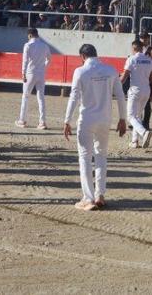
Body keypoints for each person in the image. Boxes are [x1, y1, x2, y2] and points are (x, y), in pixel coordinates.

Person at [63, 44, 127, 211]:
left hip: (87, 119)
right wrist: (122, 118)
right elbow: (120, 95)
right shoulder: (110, 70)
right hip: (105, 120)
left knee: (84, 157)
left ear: (82, 57)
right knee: (101, 156)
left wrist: (67, 120)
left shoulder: (80, 71)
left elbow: (74, 97)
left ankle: (88, 198)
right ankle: (100, 195)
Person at [121, 40, 152, 149]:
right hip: (146, 90)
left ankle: (144, 133)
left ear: (133, 48)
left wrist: (115, 85)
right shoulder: (150, 60)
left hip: (135, 91)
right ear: (142, 48)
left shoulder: (131, 59)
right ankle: (134, 141)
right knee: (137, 116)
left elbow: (124, 78)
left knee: (131, 116)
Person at [16, 28, 51, 129]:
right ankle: (42, 122)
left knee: (25, 96)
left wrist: (23, 73)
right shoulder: (45, 46)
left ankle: (22, 120)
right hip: (41, 74)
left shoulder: (28, 45)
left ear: (30, 35)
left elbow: (25, 61)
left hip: (30, 73)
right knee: (41, 98)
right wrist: (44, 67)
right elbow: (49, 59)